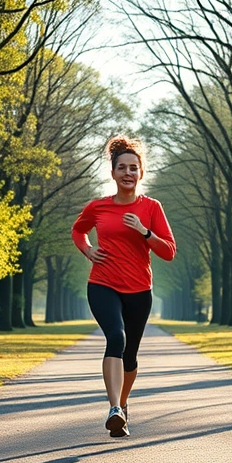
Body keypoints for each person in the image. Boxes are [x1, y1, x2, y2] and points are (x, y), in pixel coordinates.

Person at [71, 136, 176, 437]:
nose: (128, 173)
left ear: (141, 173)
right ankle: (114, 407)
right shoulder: (98, 207)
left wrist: (144, 233)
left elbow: (168, 251)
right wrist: (87, 249)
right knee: (115, 337)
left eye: (133, 168)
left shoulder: (152, 208)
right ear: (113, 172)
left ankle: (123, 405)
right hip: (102, 284)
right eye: (122, 168)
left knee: (130, 355)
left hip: (139, 291)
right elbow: (78, 230)